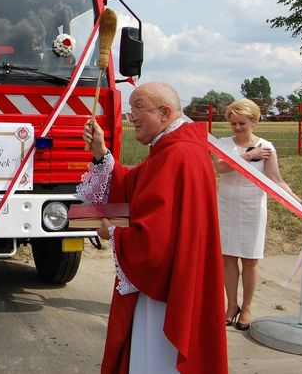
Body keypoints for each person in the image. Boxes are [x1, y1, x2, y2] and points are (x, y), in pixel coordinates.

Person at [76, 82, 227, 373]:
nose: (130, 117)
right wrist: (101, 153)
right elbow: (135, 184)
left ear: (165, 112)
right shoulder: (172, 148)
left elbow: (156, 240)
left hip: (165, 293)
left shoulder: (179, 154)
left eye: (138, 109)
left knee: (156, 359)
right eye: (130, 109)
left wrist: (115, 233)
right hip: (168, 285)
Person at [212, 98, 299, 331]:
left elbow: (276, 179)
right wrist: (250, 155)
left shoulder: (267, 147)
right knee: (228, 257)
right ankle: (232, 306)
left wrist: (297, 200)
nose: (238, 128)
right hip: (227, 206)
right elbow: (221, 166)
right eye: (233, 124)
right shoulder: (223, 143)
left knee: (250, 259)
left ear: (253, 121)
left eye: (242, 123)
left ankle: (247, 307)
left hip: (253, 207)